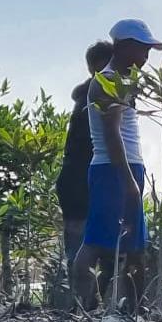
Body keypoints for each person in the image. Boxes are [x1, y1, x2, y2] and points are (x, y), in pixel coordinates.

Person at [72, 19, 162, 312]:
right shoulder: (108, 80)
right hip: (114, 169)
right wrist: (128, 181)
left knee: (133, 245)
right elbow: (112, 134)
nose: (147, 56)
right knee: (99, 243)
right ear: (124, 47)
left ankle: (132, 310)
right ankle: (88, 307)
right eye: (142, 48)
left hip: (121, 166)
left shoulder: (120, 80)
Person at [55, 40, 114, 274]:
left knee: (80, 247)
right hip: (85, 179)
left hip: (74, 180)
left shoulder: (86, 95)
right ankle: (85, 305)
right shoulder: (100, 96)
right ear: (102, 65)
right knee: (91, 248)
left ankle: (83, 305)